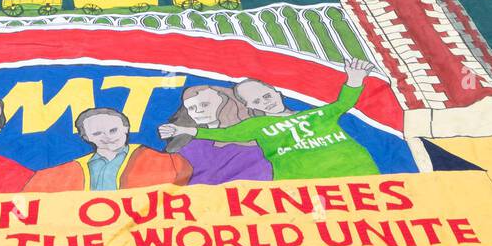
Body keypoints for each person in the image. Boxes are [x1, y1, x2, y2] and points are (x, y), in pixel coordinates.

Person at [159, 70, 378, 181]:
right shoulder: (257, 124)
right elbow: (225, 133)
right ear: (249, 106)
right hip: (305, 184)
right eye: (257, 101)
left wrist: (354, 80)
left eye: (266, 96)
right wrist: (184, 130)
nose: (266, 102)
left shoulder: (319, 114)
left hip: (359, 173)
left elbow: (343, 103)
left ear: (276, 91)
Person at [25, 107, 191, 192]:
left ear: (126, 129)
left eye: (113, 130)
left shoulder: (167, 162)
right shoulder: (66, 172)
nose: (107, 137)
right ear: (86, 137)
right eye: (97, 133)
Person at [161, 84, 272, 184]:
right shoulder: (192, 146)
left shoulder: (253, 142)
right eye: (191, 108)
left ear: (225, 102)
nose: (197, 111)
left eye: (205, 104)